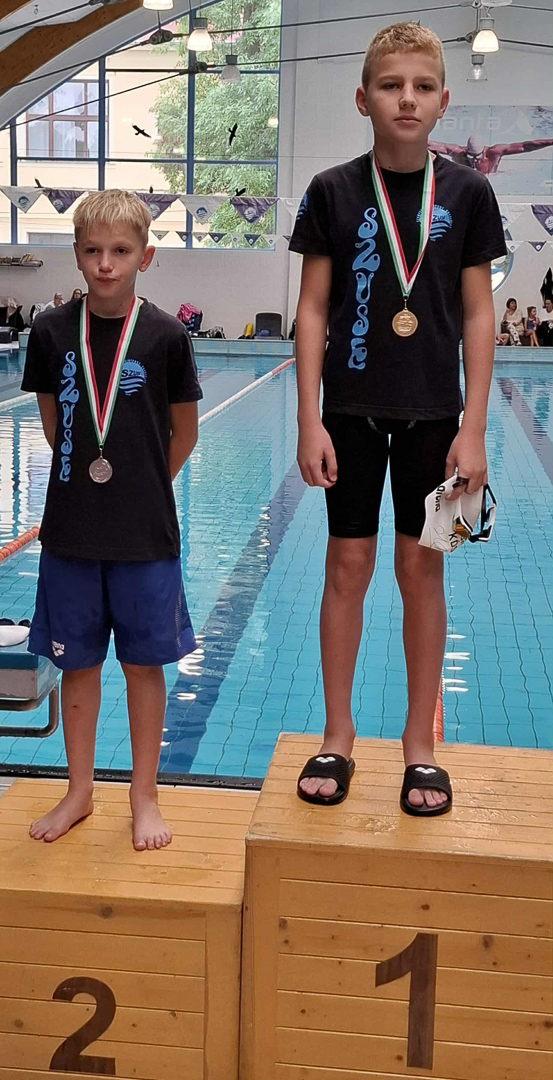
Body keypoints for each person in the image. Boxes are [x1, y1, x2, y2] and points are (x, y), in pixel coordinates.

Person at [289, 22, 506, 815]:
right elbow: (312, 310)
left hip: (434, 418)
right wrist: (308, 418)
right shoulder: (332, 191)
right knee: (346, 567)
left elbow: (477, 315)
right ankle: (337, 734)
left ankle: (419, 744)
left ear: (442, 102)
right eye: (390, 86)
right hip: (348, 411)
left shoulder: (469, 194)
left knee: (422, 570)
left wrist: (473, 428)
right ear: (362, 99)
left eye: (420, 87)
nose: (405, 99)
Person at [21, 189, 202, 849]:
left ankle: (143, 796)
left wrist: (143, 487)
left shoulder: (166, 336)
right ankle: (79, 790)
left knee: (143, 669)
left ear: (144, 257)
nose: (105, 264)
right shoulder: (50, 332)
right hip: (71, 533)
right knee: (77, 667)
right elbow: (54, 427)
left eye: (120, 251)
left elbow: (184, 433)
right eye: (93, 250)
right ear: (76, 254)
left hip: (145, 536)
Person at [429, 134, 553, 175]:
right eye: (470, 157)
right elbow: (430, 144)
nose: (474, 161)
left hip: (491, 177)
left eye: (477, 157)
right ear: (466, 151)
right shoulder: (457, 152)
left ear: (483, 152)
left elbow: (526, 146)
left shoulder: (494, 152)